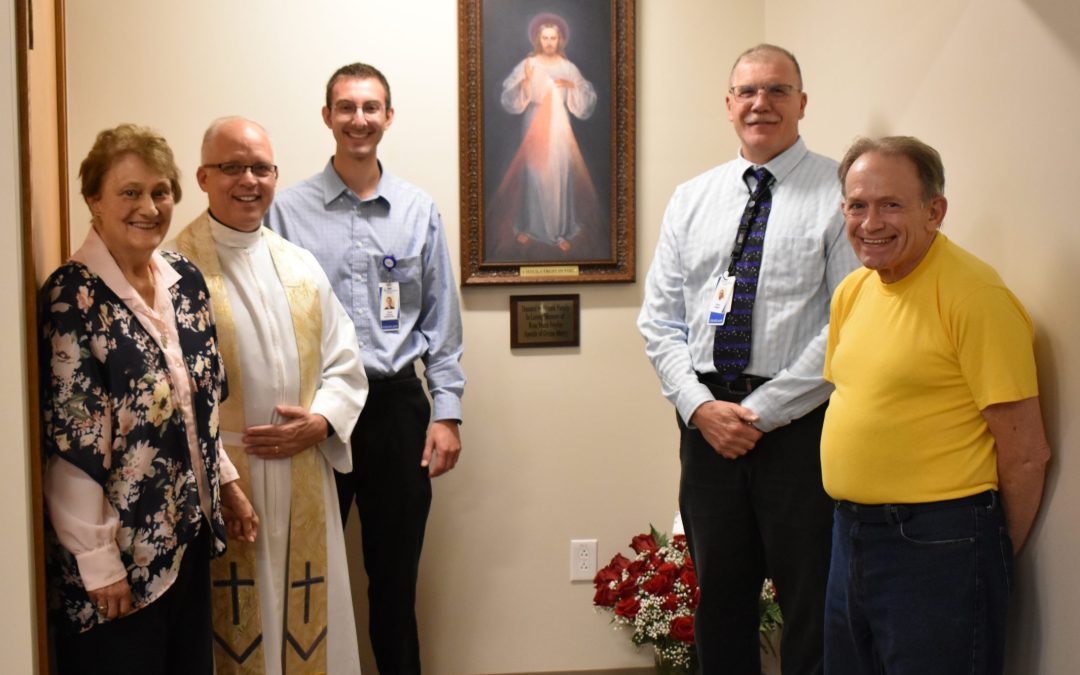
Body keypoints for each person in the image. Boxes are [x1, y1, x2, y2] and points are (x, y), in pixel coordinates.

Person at [637, 44, 859, 675]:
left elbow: (844, 322)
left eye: (778, 90)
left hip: (799, 429)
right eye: (748, 92)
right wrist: (699, 406)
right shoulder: (691, 198)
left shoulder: (838, 192)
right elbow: (659, 319)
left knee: (809, 601)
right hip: (706, 428)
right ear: (730, 104)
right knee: (720, 602)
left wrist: (760, 413)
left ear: (802, 103)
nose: (761, 103)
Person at [822, 136, 1051, 675]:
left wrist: (978, 557)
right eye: (857, 205)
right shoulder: (852, 292)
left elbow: (1025, 454)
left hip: (938, 547)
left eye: (891, 204)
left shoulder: (975, 296)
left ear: (935, 211)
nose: (870, 222)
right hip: (848, 536)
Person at [266, 62, 466, 675]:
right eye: (346, 107)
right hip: (316, 412)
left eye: (371, 107)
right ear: (327, 117)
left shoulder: (417, 210)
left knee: (394, 583)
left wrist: (448, 413)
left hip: (395, 411)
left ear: (388, 117)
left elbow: (442, 322)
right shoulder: (286, 213)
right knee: (305, 576)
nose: (359, 119)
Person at [40, 123, 258, 675]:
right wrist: (97, 561)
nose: (149, 206)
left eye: (160, 191)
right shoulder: (74, 298)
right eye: (130, 192)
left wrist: (226, 486)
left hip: (186, 542)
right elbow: (71, 446)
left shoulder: (184, 279)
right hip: (119, 559)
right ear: (93, 199)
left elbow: (195, 410)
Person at [169, 117, 368, 674]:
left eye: (260, 168)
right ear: (204, 176)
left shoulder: (299, 264)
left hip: (303, 467)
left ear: (275, 175)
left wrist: (323, 421)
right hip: (225, 477)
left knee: (305, 617)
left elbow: (345, 362)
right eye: (232, 167)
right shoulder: (172, 270)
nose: (248, 180)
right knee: (233, 619)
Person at [487, 12, 605, 261]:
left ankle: (559, 231)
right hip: (535, 125)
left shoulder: (567, 67)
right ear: (538, 40)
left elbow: (586, 95)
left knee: (559, 175)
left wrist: (573, 88)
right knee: (535, 175)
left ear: (559, 40)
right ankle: (530, 226)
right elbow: (509, 95)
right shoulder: (528, 64)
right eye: (545, 38)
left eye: (553, 38)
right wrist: (524, 84)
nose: (549, 42)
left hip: (560, 128)